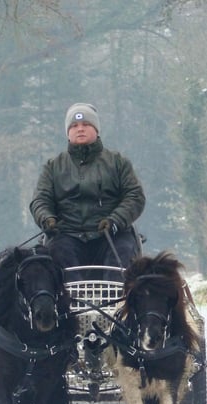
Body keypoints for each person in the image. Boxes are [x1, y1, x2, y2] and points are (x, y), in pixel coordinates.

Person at [30, 103, 145, 280]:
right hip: (67, 234)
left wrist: (115, 220)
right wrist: (47, 219)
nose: (80, 129)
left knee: (121, 259)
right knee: (58, 258)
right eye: (74, 126)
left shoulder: (118, 162)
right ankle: (70, 305)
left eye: (86, 124)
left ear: (96, 129)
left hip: (111, 234)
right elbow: (40, 200)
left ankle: (117, 305)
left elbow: (135, 196)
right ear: (68, 132)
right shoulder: (53, 166)